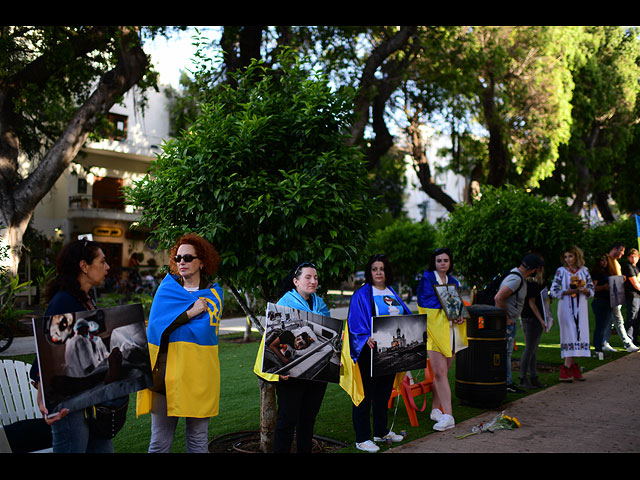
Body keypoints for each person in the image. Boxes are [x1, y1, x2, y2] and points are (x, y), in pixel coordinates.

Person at [136, 233, 224, 453]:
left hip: (198, 375)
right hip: (165, 376)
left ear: (201, 262)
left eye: (187, 257)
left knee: (197, 441)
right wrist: (190, 313)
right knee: (159, 443)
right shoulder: (166, 290)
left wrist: (175, 323)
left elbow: (204, 332)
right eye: (177, 258)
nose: (181, 262)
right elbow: (156, 328)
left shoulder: (214, 295)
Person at [32, 238, 120, 453]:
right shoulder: (64, 302)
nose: (107, 267)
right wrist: (43, 391)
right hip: (69, 404)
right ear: (84, 266)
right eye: (102, 261)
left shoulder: (84, 299)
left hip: (91, 399)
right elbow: (47, 351)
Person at [257, 262, 331, 453]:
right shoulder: (283, 305)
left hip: (316, 373)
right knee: (287, 422)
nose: (313, 281)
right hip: (291, 375)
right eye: (308, 277)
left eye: (315, 277)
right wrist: (281, 368)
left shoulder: (320, 304)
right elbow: (270, 344)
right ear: (296, 281)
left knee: (308, 420)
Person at [348, 254, 411, 452]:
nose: (378, 272)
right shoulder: (362, 294)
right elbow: (354, 321)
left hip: (391, 349)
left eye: (381, 269)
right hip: (370, 350)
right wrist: (365, 336)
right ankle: (362, 438)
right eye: (374, 269)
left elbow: (405, 316)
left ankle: (381, 432)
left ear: (387, 272)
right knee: (366, 394)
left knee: (384, 393)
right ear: (369, 272)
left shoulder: (392, 292)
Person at [417, 248, 467, 432]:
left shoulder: (453, 281)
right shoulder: (427, 279)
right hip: (434, 331)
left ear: (450, 262)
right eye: (439, 260)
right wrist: (452, 309)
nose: (443, 263)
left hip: (452, 332)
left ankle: (435, 409)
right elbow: (427, 301)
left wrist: (459, 314)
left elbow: (457, 304)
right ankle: (448, 415)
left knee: (443, 372)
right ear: (434, 262)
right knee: (439, 372)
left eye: (446, 260)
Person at [494, 253, 545, 393]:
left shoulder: (516, 275)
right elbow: (498, 298)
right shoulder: (516, 279)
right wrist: (508, 318)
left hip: (508, 320)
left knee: (506, 352)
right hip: (506, 322)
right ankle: (507, 383)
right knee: (506, 353)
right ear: (534, 270)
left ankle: (507, 382)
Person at [550, 246, 594, 381]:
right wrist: (566, 291)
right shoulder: (561, 271)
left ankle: (572, 367)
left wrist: (585, 290)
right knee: (569, 334)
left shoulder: (584, 271)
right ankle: (566, 369)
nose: (568, 259)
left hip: (580, 307)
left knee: (578, 335)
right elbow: (553, 290)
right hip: (566, 307)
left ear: (577, 257)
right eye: (566, 257)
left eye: (570, 256)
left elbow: (591, 288)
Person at [603, 242, 639, 352]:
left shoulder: (616, 262)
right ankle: (627, 343)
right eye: (621, 250)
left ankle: (604, 342)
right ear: (615, 249)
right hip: (609, 295)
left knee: (612, 320)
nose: (623, 253)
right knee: (618, 319)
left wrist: (620, 278)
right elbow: (601, 276)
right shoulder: (606, 260)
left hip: (616, 295)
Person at [519, 262, 547, 389]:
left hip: (534, 318)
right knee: (530, 349)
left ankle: (533, 376)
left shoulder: (538, 283)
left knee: (533, 349)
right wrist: (541, 319)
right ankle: (523, 378)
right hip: (530, 318)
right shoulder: (531, 284)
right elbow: (532, 304)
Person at [591, 255, 612, 356]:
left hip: (607, 301)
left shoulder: (606, 272)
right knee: (600, 326)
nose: (604, 262)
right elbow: (593, 288)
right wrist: (603, 287)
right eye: (602, 260)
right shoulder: (596, 273)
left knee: (603, 326)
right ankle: (598, 349)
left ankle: (599, 347)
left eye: (606, 260)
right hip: (600, 301)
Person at [622, 248, 640, 345]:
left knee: (636, 318)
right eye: (631, 257)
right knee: (631, 316)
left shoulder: (637, 268)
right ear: (628, 257)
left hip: (638, 296)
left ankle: (635, 339)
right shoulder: (628, 267)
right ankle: (628, 340)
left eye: (635, 257)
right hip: (632, 295)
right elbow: (635, 284)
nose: (633, 259)